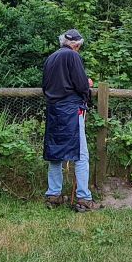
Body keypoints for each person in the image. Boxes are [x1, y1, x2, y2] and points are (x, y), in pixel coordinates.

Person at [42, 29, 98, 211]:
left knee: (55, 153)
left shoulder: (51, 58)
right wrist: (87, 86)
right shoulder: (73, 57)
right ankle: (83, 198)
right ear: (77, 45)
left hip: (53, 110)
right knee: (81, 154)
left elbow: (45, 86)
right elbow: (81, 85)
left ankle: (53, 195)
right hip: (71, 111)